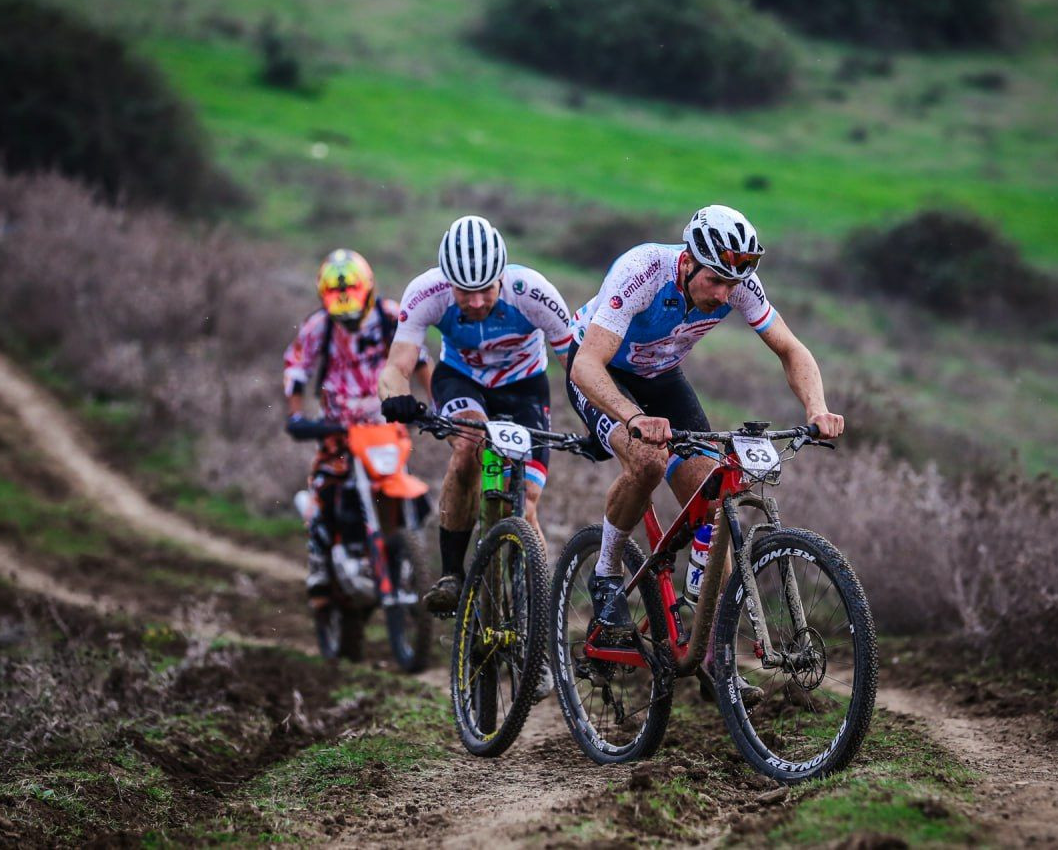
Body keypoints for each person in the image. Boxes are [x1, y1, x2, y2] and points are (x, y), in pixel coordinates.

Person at [565, 204, 845, 700]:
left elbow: (791, 349)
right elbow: (586, 365)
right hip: (603, 374)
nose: (722, 295)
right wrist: (632, 418)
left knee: (714, 496)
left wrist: (817, 408)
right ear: (688, 262)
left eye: (731, 285)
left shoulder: (737, 283)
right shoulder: (642, 271)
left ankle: (712, 652)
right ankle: (607, 575)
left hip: (662, 378)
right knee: (647, 460)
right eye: (714, 281)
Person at [377, 215, 574, 616]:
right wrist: (396, 397)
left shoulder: (532, 291)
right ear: (448, 282)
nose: (478, 301)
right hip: (461, 380)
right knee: (469, 446)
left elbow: (577, 363)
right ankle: (452, 573)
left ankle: (538, 610)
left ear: (501, 276)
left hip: (525, 386)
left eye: (486, 289)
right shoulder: (425, 292)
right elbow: (396, 367)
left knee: (528, 502)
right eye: (465, 293)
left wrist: (602, 421)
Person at [283, 248, 430, 607]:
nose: (345, 301)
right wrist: (297, 414)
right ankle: (319, 560)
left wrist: (435, 404)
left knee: (404, 479)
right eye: (335, 293)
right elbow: (296, 369)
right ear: (324, 294)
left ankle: (409, 555)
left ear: (368, 287)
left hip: (386, 422)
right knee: (324, 482)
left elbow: (422, 361)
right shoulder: (319, 326)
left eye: (350, 291)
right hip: (339, 427)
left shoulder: (392, 316)